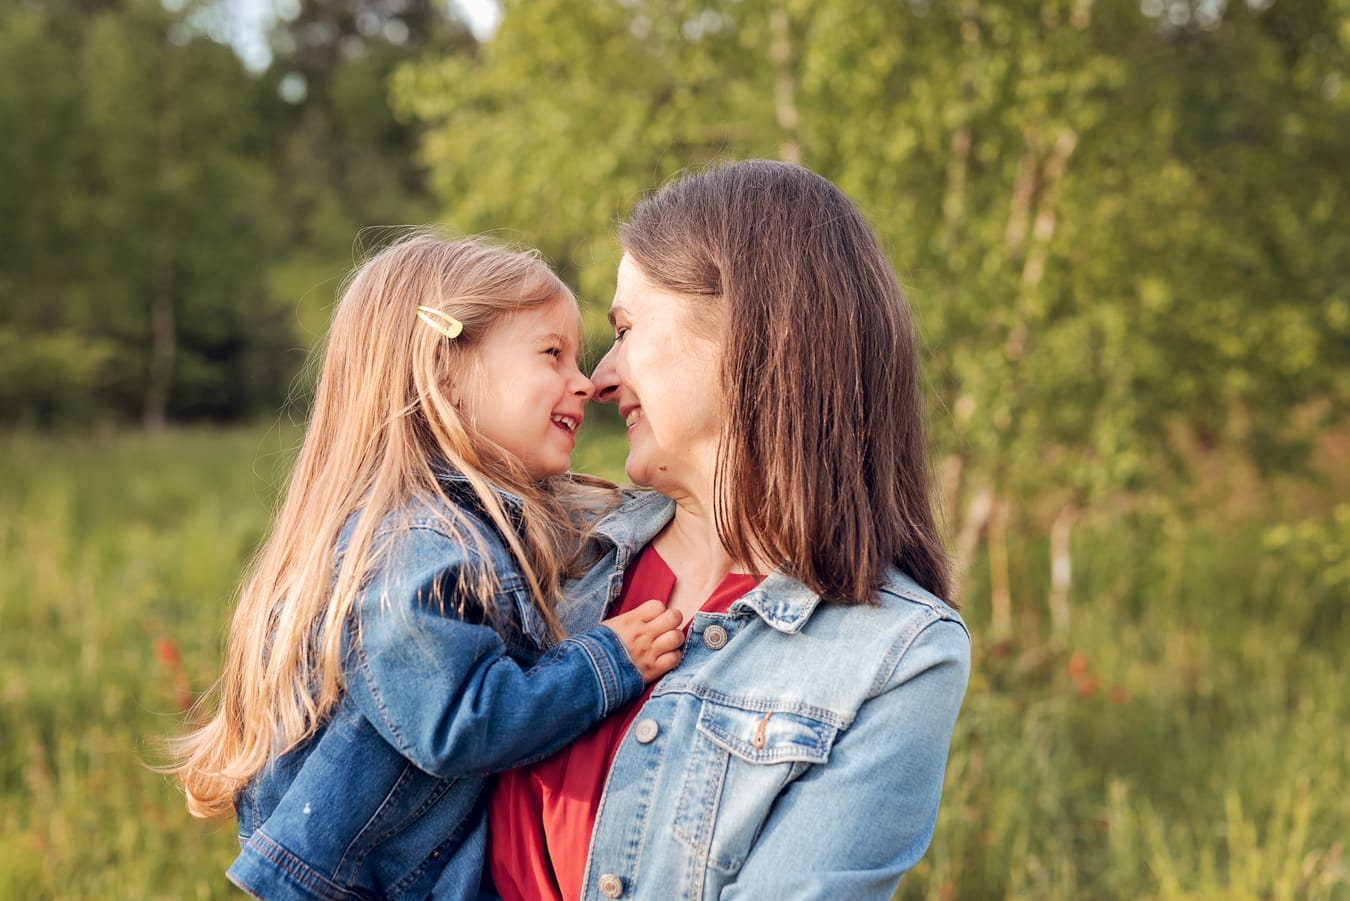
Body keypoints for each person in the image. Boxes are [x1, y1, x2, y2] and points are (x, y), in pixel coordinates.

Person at [489, 160, 972, 899]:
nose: (599, 377)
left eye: (623, 328)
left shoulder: (896, 657)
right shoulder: (540, 541)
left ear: (748, 331)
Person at [168, 234, 687, 900]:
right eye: (552, 353)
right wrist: (605, 662)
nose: (584, 381)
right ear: (443, 371)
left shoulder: (472, 521)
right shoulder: (423, 542)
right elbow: (459, 722)